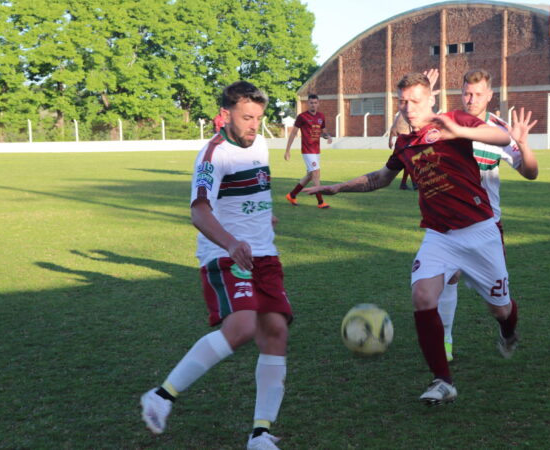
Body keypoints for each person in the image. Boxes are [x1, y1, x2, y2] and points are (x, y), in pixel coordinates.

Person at [305, 72, 521, 405]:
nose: (408, 108)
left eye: (414, 101)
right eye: (402, 102)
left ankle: (508, 332)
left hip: (480, 232)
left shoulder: (453, 120)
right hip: (439, 235)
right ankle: (443, 380)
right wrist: (339, 186)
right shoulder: (405, 144)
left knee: (500, 309)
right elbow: (380, 178)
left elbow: (502, 137)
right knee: (422, 296)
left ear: (431, 99)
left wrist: (460, 131)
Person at [140, 81, 291, 450]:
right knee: (241, 325)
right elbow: (199, 211)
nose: (254, 124)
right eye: (246, 117)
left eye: (258, 117)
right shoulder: (213, 155)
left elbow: (256, 189)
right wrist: (231, 241)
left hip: (264, 255)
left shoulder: (261, 143)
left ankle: (259, 433)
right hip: (224, 254)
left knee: (275, 331)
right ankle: (161, 396)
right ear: (226, 115)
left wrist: (263, 217)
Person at [437, 69, 538, 362]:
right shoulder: (448, 121)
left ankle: (508, 332)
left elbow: (530, 173)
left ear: (490, 95)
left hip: (487, 226)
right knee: (449, 277)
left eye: (478, 94)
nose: (471, 99)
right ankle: (446, 341)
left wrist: (524, 143)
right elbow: (408, 131)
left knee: (499, 308)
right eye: (467, 93)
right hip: (451, 222)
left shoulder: (500, 129)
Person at [284, 94, 333, 208]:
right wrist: (287, 151)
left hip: (316, 150)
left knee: (310, 175)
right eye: (311, 103)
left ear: (318, 104)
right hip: (307, 150)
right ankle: (320, 202)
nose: (313, 105)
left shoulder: (321, 116)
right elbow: (293, 133)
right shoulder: (302, 117)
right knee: (316, 173)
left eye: (315, 103)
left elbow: (323, 131)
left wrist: (328, 136)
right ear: (307, 104)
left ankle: (292, 195)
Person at [388, 112, 416, 190]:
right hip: (404, 141)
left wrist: (390, 140)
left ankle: (404, 184)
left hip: (400, 141)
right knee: (408, 163)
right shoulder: (408, 113)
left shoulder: (400, 114)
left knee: (406, 163)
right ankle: (414, 184)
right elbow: (415, 127)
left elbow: (393, 128)